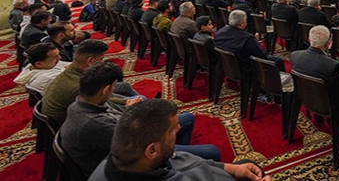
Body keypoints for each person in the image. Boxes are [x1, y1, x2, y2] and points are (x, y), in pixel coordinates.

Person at [60, 61, 220, 178]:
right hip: (129, 163)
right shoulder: (95, 124)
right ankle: (173, 160)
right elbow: (138, 142)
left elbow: (123, 117)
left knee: (187, 118)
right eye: (114, 86)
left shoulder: (85, 101)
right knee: (212, 151)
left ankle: (174, 157)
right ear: (106, 89)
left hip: (135, 141)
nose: (115, 90)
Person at [88, 98, 271, 181]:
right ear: (152, 150)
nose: (178, 129)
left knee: (244, 164)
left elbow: (179, 159)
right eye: (172, 129)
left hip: (207, 170)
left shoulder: (121, 161)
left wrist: (232, 168)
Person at [42, 40, 142, 127]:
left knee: (125, 87)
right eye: (101, 59)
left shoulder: (71, 72)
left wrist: (126, 101)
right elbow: (102, 101)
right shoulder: (78, 86)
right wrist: (126, 103)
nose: (102, 62)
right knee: (140, 103)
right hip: (76, 122)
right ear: (90, 61)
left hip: (76, 113)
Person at [290, 25, 339, 124]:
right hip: (328, 105)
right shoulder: (332, 65)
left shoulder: (294, 55)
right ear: (328, 43)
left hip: (304, 96)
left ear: (309, 39)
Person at [214, 10, 284, 81]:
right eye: (245, 21)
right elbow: (261, 55)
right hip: (245, 69)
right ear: (242, 23)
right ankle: (277, 84)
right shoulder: (247, 38)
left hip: (227, 66)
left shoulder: (219, 33)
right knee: (278, 60)